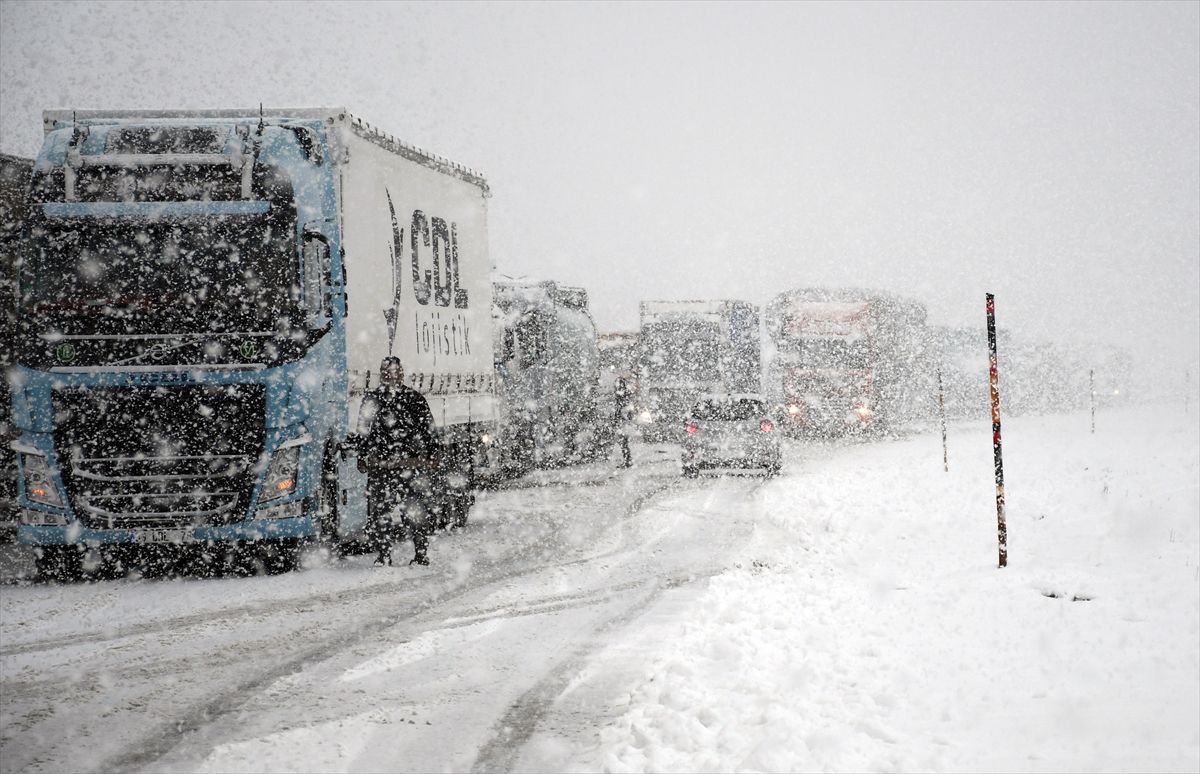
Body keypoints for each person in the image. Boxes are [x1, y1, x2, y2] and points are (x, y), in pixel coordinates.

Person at [356, 357, 440, 566]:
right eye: (386, 371)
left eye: (394, 371)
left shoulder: (414, 399)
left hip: (411, 466)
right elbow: (363, 431)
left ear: (401, 374)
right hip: (383, 467)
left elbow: (429, 430)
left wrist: (432, 454)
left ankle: (420, 554)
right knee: (380, 514)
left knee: (415, 512)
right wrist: (362, 455)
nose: (390, 375)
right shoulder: (372, 400)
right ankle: (384, 555)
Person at [613, 374, 634, 468]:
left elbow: (622, 409)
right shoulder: (625, 395)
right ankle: (627, 460)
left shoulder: (622, 396)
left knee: (623, 442)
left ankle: (627, 461)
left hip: (622, 421)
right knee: (623, 442)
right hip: (623, 421)